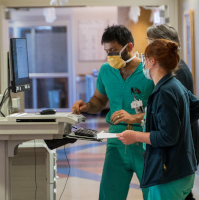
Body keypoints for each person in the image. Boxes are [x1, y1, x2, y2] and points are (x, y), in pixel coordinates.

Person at [72, 25, 154, 200]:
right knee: (110, 194)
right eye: (107, 51)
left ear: (129, 47)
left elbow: (161, 110)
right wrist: (86, 106)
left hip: (145, 140)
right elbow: (99, 101)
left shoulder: (148, 72)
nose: (110, 56)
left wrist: (135, 117)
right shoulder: (106, 71)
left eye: (114, 51)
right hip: (116, 140)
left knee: (153, 194)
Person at [117, 39, 199, 200]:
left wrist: (135, 136)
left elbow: (167, 136)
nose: (143, 64)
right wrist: (177, 125)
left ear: (152, 61)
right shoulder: (175, 84)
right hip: (184, 171)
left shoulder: (163, 92)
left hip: (169, 173)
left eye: (145, 59)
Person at [146, 24, 199, 200]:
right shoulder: (174, 75)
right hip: (182, 155)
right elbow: (196, 107)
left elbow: (169, 132)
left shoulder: (171, 79)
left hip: (175, 158)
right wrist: (179, 123)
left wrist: (174, 126)